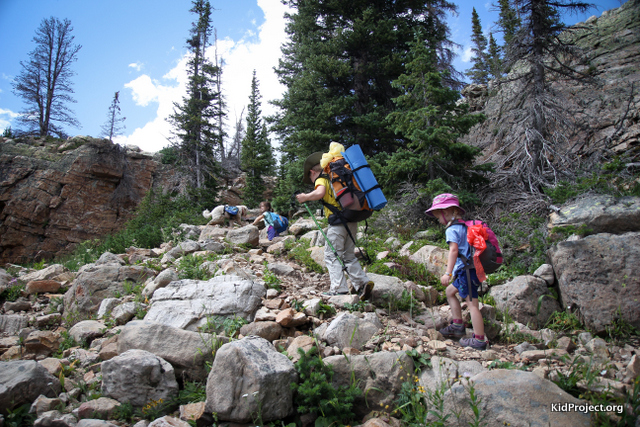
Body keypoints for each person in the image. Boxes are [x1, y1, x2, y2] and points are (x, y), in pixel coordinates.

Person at [296, 150, 374, 300]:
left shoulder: (321, 179)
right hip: (351, 220)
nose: (312, 181)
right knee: (348, 255)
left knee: (331, 255)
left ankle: (339, 289)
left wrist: (305, 197)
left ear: (313, 172)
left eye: (310, 177)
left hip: (337, 223)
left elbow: (319, 192)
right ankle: (363, 283)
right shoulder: (334, 179)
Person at [425, 193, 487, 350]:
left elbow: (453, 251)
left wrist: (447, 273)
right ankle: (458, 325)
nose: (438, 219)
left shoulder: (452, 229)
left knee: (472, 305)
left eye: (438, 215)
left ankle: (479, 340)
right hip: (469, 270)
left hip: (466, 271)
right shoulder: (464, 226)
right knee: (450, 291)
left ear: (446, 212)